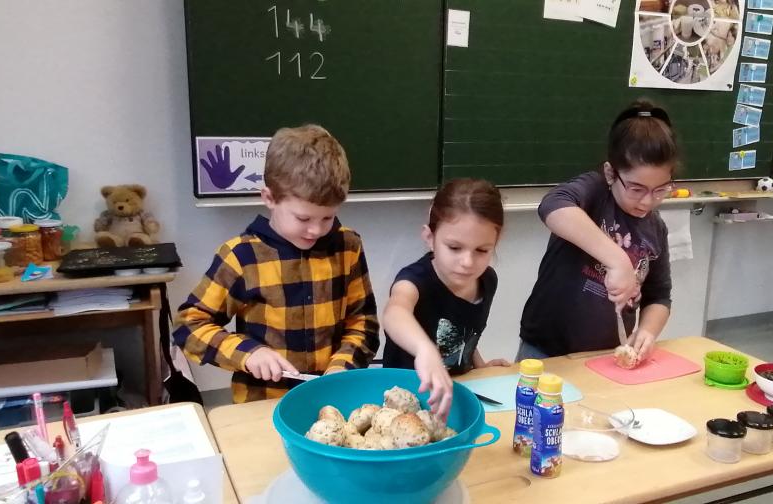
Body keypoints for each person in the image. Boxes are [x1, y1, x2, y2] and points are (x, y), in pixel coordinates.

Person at [174, 125, 379, 403]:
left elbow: (363, 323)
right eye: (303, 219)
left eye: (327, 218)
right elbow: (189, 326)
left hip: (331, 401)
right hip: (264, 404)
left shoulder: (348, 246)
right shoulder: (241, 256)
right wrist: (248, 353)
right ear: (269, 198)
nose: (316, 230)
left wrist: (342, 367)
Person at [518, 101, 677, 362]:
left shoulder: (655, 228)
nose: (647, 201)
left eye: (660, 190)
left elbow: (659, 296)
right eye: (636, 189)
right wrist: (618, 261)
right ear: (610, 173)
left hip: (606, 354)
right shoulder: (595, 193)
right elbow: (552, 205)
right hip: (546, 349)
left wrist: (647, 331)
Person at [382, 178, 510, 420]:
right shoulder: (414, 281)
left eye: (482, 250)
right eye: (454, 247)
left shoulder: (487, 281)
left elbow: (464, 333)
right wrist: (425, 350)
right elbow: (394, 312)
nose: (467, 262)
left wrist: (480, 366)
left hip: (456, 396)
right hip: (407, 403)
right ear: (430, 238)